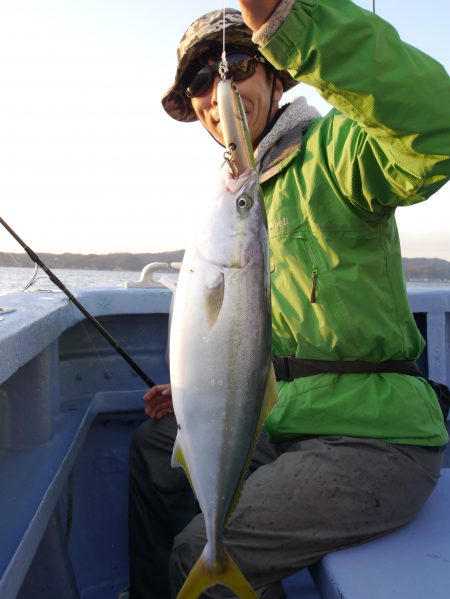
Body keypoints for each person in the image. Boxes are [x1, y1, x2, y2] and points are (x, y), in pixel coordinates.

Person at [126, 1, 450, 598]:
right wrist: (204, 390)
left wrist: (289, 21)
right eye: (198, 83)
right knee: (152, 449)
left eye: (237, 63)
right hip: (288, 421)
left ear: (276, 74)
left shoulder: (338, 151)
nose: (214, 90)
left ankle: (207, 576)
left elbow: (438, 128)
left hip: (373, 438)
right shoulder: (244, 196)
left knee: (196, 555)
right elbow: (258, 332)